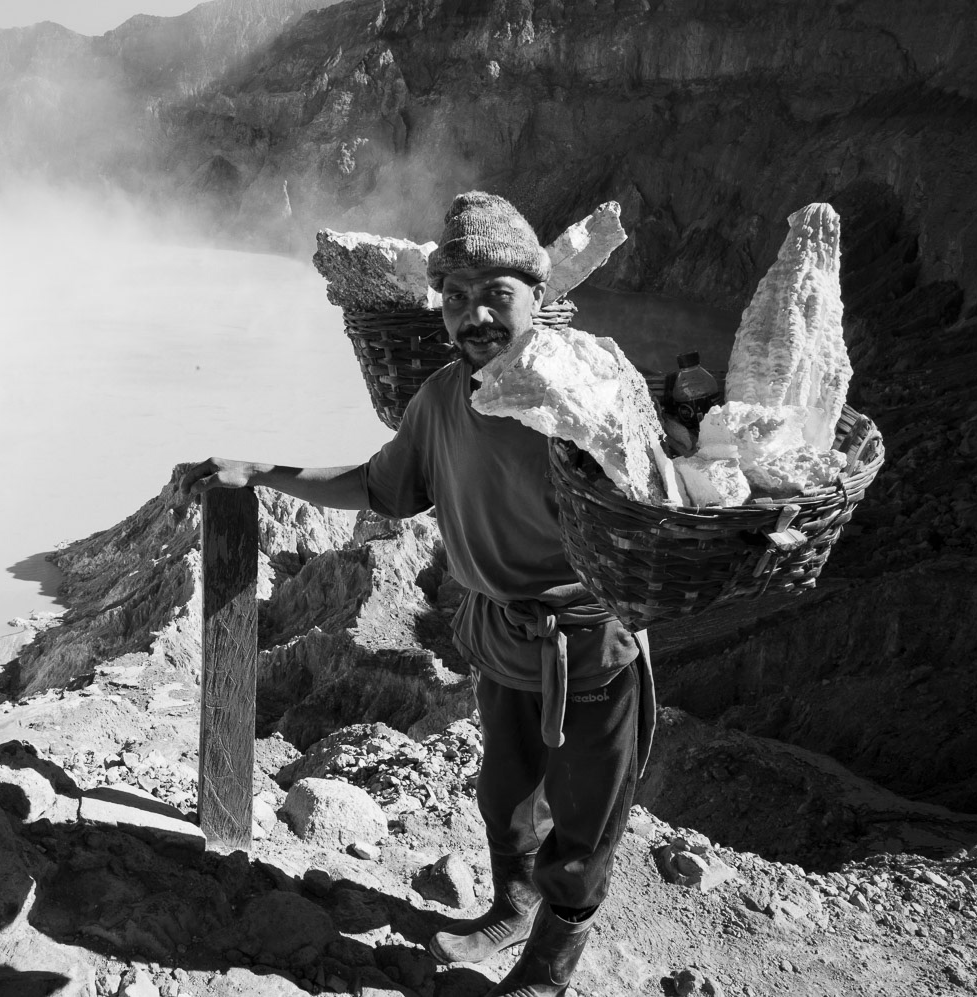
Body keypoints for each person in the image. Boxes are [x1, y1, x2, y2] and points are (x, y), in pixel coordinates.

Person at [174, 191, 655, 997]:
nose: (475, 317)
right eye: (456, 298)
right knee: (504, 795)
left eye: (497, 295)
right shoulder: (441, 400)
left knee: (585, 820)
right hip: (502, 638)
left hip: (592, 648)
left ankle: (547, 970)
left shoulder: (581, 399)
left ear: (540, 297)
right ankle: (509, 904)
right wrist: (258, 470)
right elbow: (378, 486)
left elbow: (654, 495)